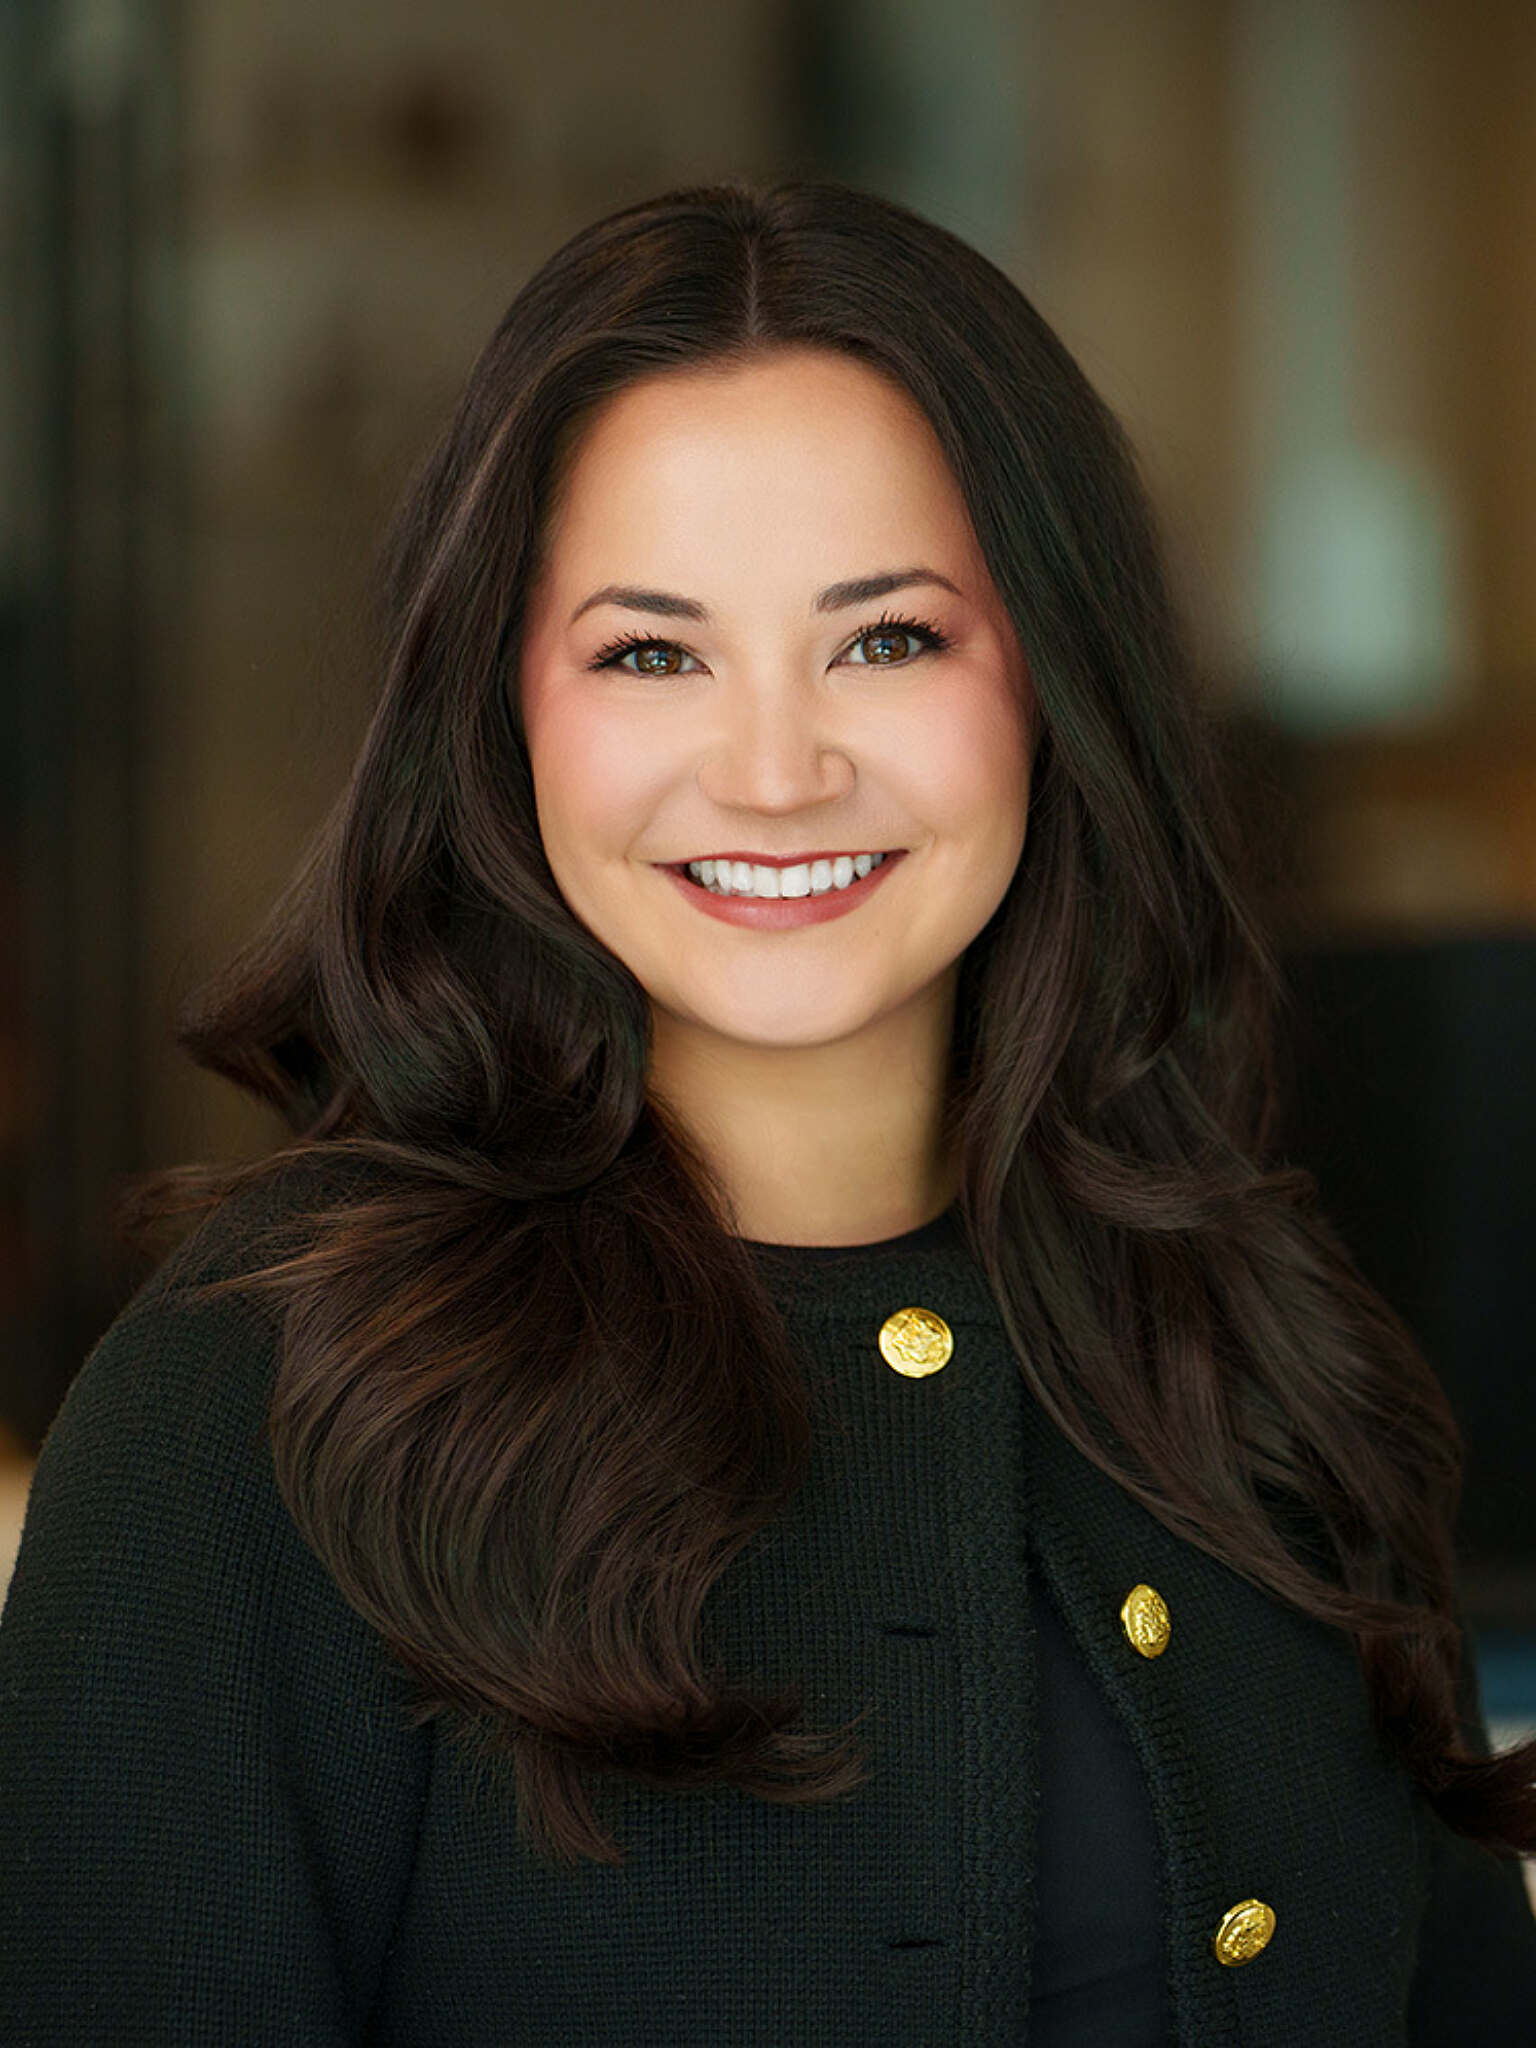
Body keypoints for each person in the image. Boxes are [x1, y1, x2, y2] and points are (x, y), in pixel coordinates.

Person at [1, 177, 1533, 2046]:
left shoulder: (1262, 1347)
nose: (777, 769)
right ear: (502, 713)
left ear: (1052, 677)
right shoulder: (253, 1411)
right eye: (652, 652)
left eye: (887, 638)